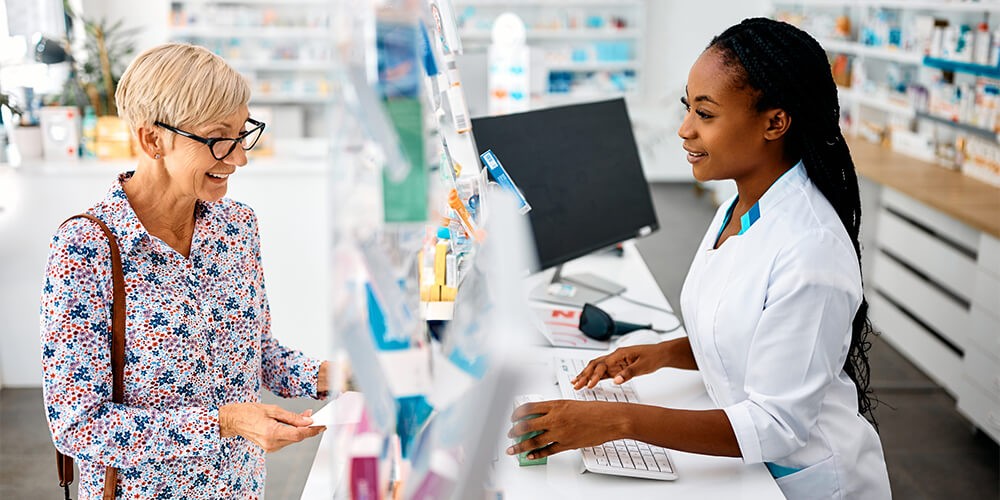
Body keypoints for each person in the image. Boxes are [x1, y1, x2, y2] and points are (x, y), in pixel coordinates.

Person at [507, 18, 891, 500]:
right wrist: (662, 354)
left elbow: (776, 426)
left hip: (801, 480)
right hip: (746, 468)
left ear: (775, 122)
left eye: (706, 115)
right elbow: (748, 331)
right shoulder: (744, 202)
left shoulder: (811, 251)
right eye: (688, 107)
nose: (684, 130)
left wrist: (616, 421)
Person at [40, 43, 331, 499]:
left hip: (241, 488)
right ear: (153, 139)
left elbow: (255, 351)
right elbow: (77, 424)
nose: (239, 158)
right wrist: (225, 422)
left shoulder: (237, 228)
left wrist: (330, 375)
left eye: (243, 134)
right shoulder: (86, 250)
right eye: (219, 138)